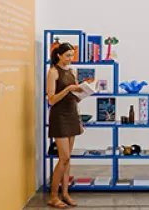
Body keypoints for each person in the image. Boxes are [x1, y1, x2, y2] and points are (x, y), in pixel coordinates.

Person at [47, 42, 89, 208]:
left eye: (72, 55)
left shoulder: (72, 71)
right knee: (63, 157)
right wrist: (68, 89)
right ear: (59, 55)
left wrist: (83, 92)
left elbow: (74, 96)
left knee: (68, 159)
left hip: (72, 114)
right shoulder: (53, 72)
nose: (71, 59)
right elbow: (51, 100)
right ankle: (53, 196)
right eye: (68, 56)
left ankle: (65, 194)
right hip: (59, 117)